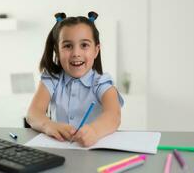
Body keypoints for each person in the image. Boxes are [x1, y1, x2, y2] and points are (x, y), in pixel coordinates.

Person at [26, 12, 124, 147]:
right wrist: (48, 125)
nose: (76, 53)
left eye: (84, 45)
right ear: (57, 51)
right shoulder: (52, 79)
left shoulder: (101, 83)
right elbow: (33, 113)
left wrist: (95, 131)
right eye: (67, 46)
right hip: (59, 150)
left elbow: (114, 115)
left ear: (96, 50)